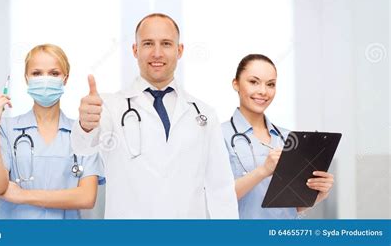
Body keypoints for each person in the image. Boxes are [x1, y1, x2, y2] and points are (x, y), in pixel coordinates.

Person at [71, 13, 238, 218]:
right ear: (135, 50)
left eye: (166, 44)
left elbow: (220, 189)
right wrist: (85, 125)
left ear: (179, 50)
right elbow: (82, 145)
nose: (157, 53)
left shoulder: (203, 114)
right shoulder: (110, 107)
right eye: (148, 43)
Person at [0, 44, 105, 219]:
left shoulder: (83, 132)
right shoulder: (5, 129)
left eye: (54, 73)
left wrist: (22, 195)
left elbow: (87, 197)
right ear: (27, 78)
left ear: (65, 79)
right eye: (37, 73)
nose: (45, 80)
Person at [221, 54, 334, 219]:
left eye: (271, 84)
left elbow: (292, 207)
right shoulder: (218, 136)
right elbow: (218, 198)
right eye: (253, 82)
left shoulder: (289, 138)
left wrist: (319, 193)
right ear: (236, 84)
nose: (263, 91)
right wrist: (263, 170)